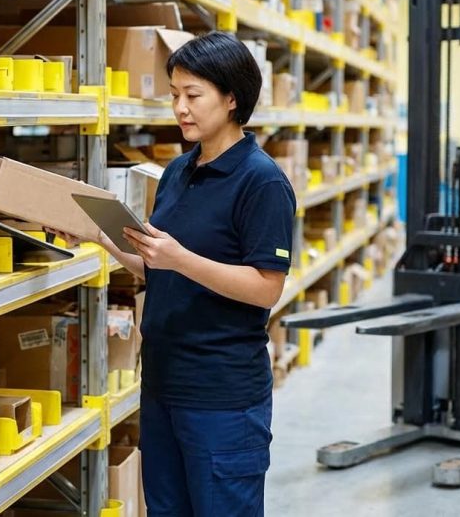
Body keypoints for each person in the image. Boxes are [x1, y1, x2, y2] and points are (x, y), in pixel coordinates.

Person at [55, 32, 296, 516]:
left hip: (221, 396)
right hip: (163, 384)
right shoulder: (177, 172)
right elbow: (157, 267)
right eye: (174, 95)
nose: (180, 108)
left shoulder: (262, 181)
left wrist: (181, 258)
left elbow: (266, 288)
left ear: (231, 99)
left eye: (193, 95)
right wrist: (101, 238)